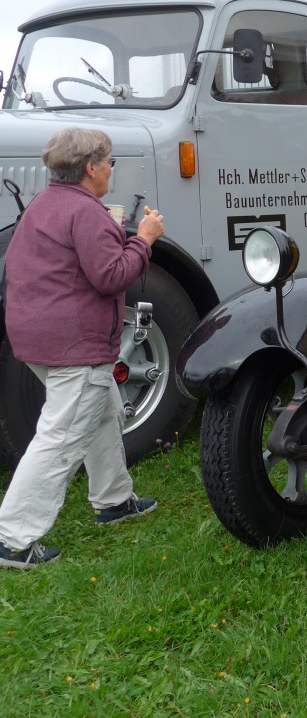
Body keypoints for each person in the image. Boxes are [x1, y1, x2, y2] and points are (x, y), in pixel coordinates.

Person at [0, 128, 164, 569]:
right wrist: (144, 237)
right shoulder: (85, 212)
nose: (112, 169)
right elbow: (111, 276)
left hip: (36, 337)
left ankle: (113, 499)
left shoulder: (44, 204)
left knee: (105, 410)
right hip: (77, 343)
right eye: (109, 162)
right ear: (90, 167)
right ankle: (12, 539)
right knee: (61, 437)